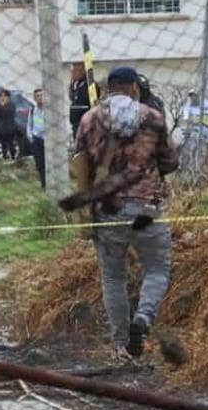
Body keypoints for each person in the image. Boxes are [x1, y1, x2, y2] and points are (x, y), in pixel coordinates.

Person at [73, 67, 178, 362]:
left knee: (113, 278)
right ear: (133, 87)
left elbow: (79, 162)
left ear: (109, 88)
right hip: (147, 207)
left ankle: (121, 347)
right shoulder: (152, 117)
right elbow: (170, 161)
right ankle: (143, 317)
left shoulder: (89, 118)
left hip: (108, 210)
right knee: (157, 268)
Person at [27, 87, 46, 189]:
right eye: (37, 96)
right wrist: (30, 137)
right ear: (34, 98)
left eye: (41, 95)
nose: (40, 98)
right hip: (37, 139)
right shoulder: (33, 110)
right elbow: (29, 125)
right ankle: (44, 184)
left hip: (48, 140)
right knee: (40, 163)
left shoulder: (49, 110)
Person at [0, 89, 19, 161]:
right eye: (1, 96)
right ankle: (4, 157)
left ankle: (13, 157)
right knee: (3, 144)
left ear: (8, 97)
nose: (3, 97)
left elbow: (8, 114)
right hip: (1, 128)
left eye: (4, 96)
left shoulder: (11, 105)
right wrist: (0, 106)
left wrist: (3, 106)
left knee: (10, 143)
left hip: (10, 128)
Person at [69, 62, 91, 137]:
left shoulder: (88, 85)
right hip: (76, 123)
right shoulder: (77, 85)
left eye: (75, 71)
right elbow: (72, 98)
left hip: (85, 122)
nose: (73, 74)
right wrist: (72, 84)